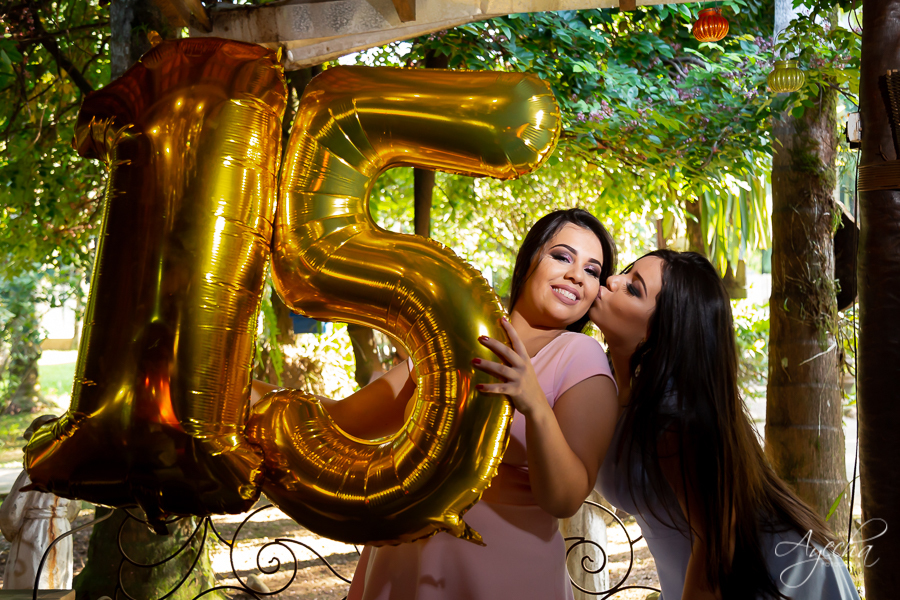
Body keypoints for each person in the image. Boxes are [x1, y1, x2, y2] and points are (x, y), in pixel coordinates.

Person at [278, 208, 618, 600]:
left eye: (593, 271)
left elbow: (565, 498)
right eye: (562, 256)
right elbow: (339, 420)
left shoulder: (580, 356)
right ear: (528, 262)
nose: (578, 275)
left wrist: (534, 405)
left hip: (502, 579)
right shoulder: (453, 340)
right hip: (400, 567)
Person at [591, 250, 860, 600]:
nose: (611, 280)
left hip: (780, 582)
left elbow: (716, 549)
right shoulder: (620, 388)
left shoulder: (674, 418)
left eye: (633, 288)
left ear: (662, 330)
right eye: (625, 275)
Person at [0, 415, 81, 589]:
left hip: (33, 531)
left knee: (31, 581)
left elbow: (11, 511)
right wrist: (60, 519)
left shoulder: (32, 473)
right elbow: (75, 508)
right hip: (61, 531)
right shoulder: (69, 474)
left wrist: (12, 532)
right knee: (56, 582)